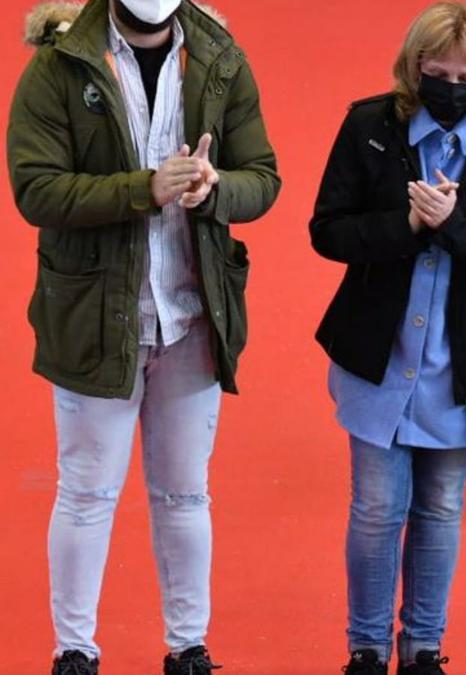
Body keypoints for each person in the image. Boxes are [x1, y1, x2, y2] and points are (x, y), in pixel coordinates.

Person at [6, 0, 280, 673]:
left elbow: (263, 178)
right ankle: (75, 650)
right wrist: (144, 189)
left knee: (186, 493)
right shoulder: (59, 66)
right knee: (87, 491)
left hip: (191, 317)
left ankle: (188, 647)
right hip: (96, 317)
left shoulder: (221, 59)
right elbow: (35, 189)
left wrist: (217, 189)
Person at [308, 3, 466, 674]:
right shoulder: (369, 126)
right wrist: (406, 226)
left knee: (442, 506)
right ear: (415, 65)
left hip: (462, 365)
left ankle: (422, 647)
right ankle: (365, 647)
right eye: (435, 71)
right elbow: (327, 229)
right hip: (377, 359)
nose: (449, 85)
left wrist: (453, 223)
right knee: (378, 506)